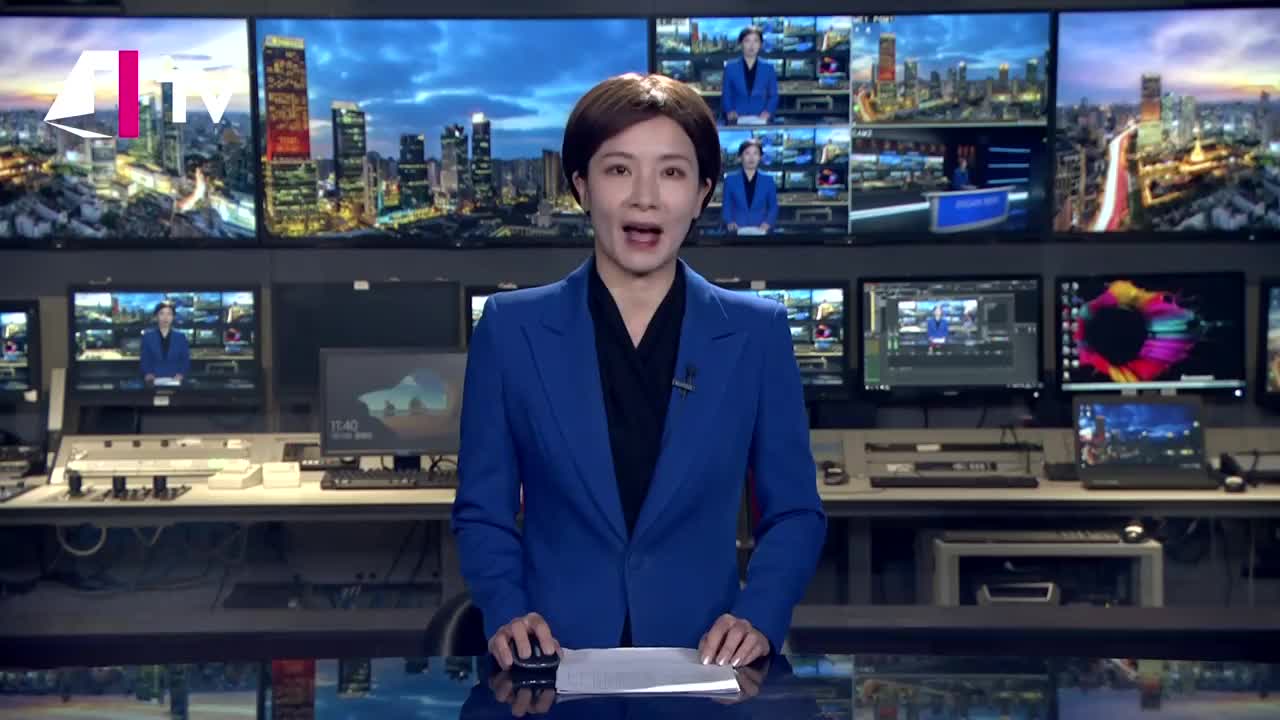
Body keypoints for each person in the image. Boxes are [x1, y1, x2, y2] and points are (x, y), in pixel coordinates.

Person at [452, 73, 826, 673]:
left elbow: (794, 512)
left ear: (702, 194)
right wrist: (507, 610)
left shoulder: (756, 334)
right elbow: (482, 510)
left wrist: (760, 613)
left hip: (704, 664)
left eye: (672, 172)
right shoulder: (509, 329)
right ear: (581, 186)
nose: (645, 197)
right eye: (619, 170)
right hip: (552, 665)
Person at [720, 26, 779, 125]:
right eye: (747, 41)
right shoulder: (730, 68)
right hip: (737, 117)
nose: (752, 45)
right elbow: (726, 94)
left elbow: (774, 95)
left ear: (760, 44)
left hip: (761, 117)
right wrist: (730, 111)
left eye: (756, 41)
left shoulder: (768, 68)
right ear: (741, 44)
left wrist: (768, 112)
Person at [721, 139, 778, 235]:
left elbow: (773, 207)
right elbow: (726, 206)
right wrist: (730, 222)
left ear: (760, 157)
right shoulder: (730, 180)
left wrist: (768, 223)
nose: (751, 158)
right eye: (747, 153)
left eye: (755, 153)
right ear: (740, 157)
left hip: (761, 230)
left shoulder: (768, 180)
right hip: (737, 230)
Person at [140, 302, 190, 385]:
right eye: (162, 314)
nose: (165, 317)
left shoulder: (181, 337)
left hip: (175, 379)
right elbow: (145, 359)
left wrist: (181, 374)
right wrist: (148, 373)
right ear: (156, 316)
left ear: (173, 317)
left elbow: (185, 360)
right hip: (153, 379)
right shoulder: (148, 337)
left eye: (169, 314)